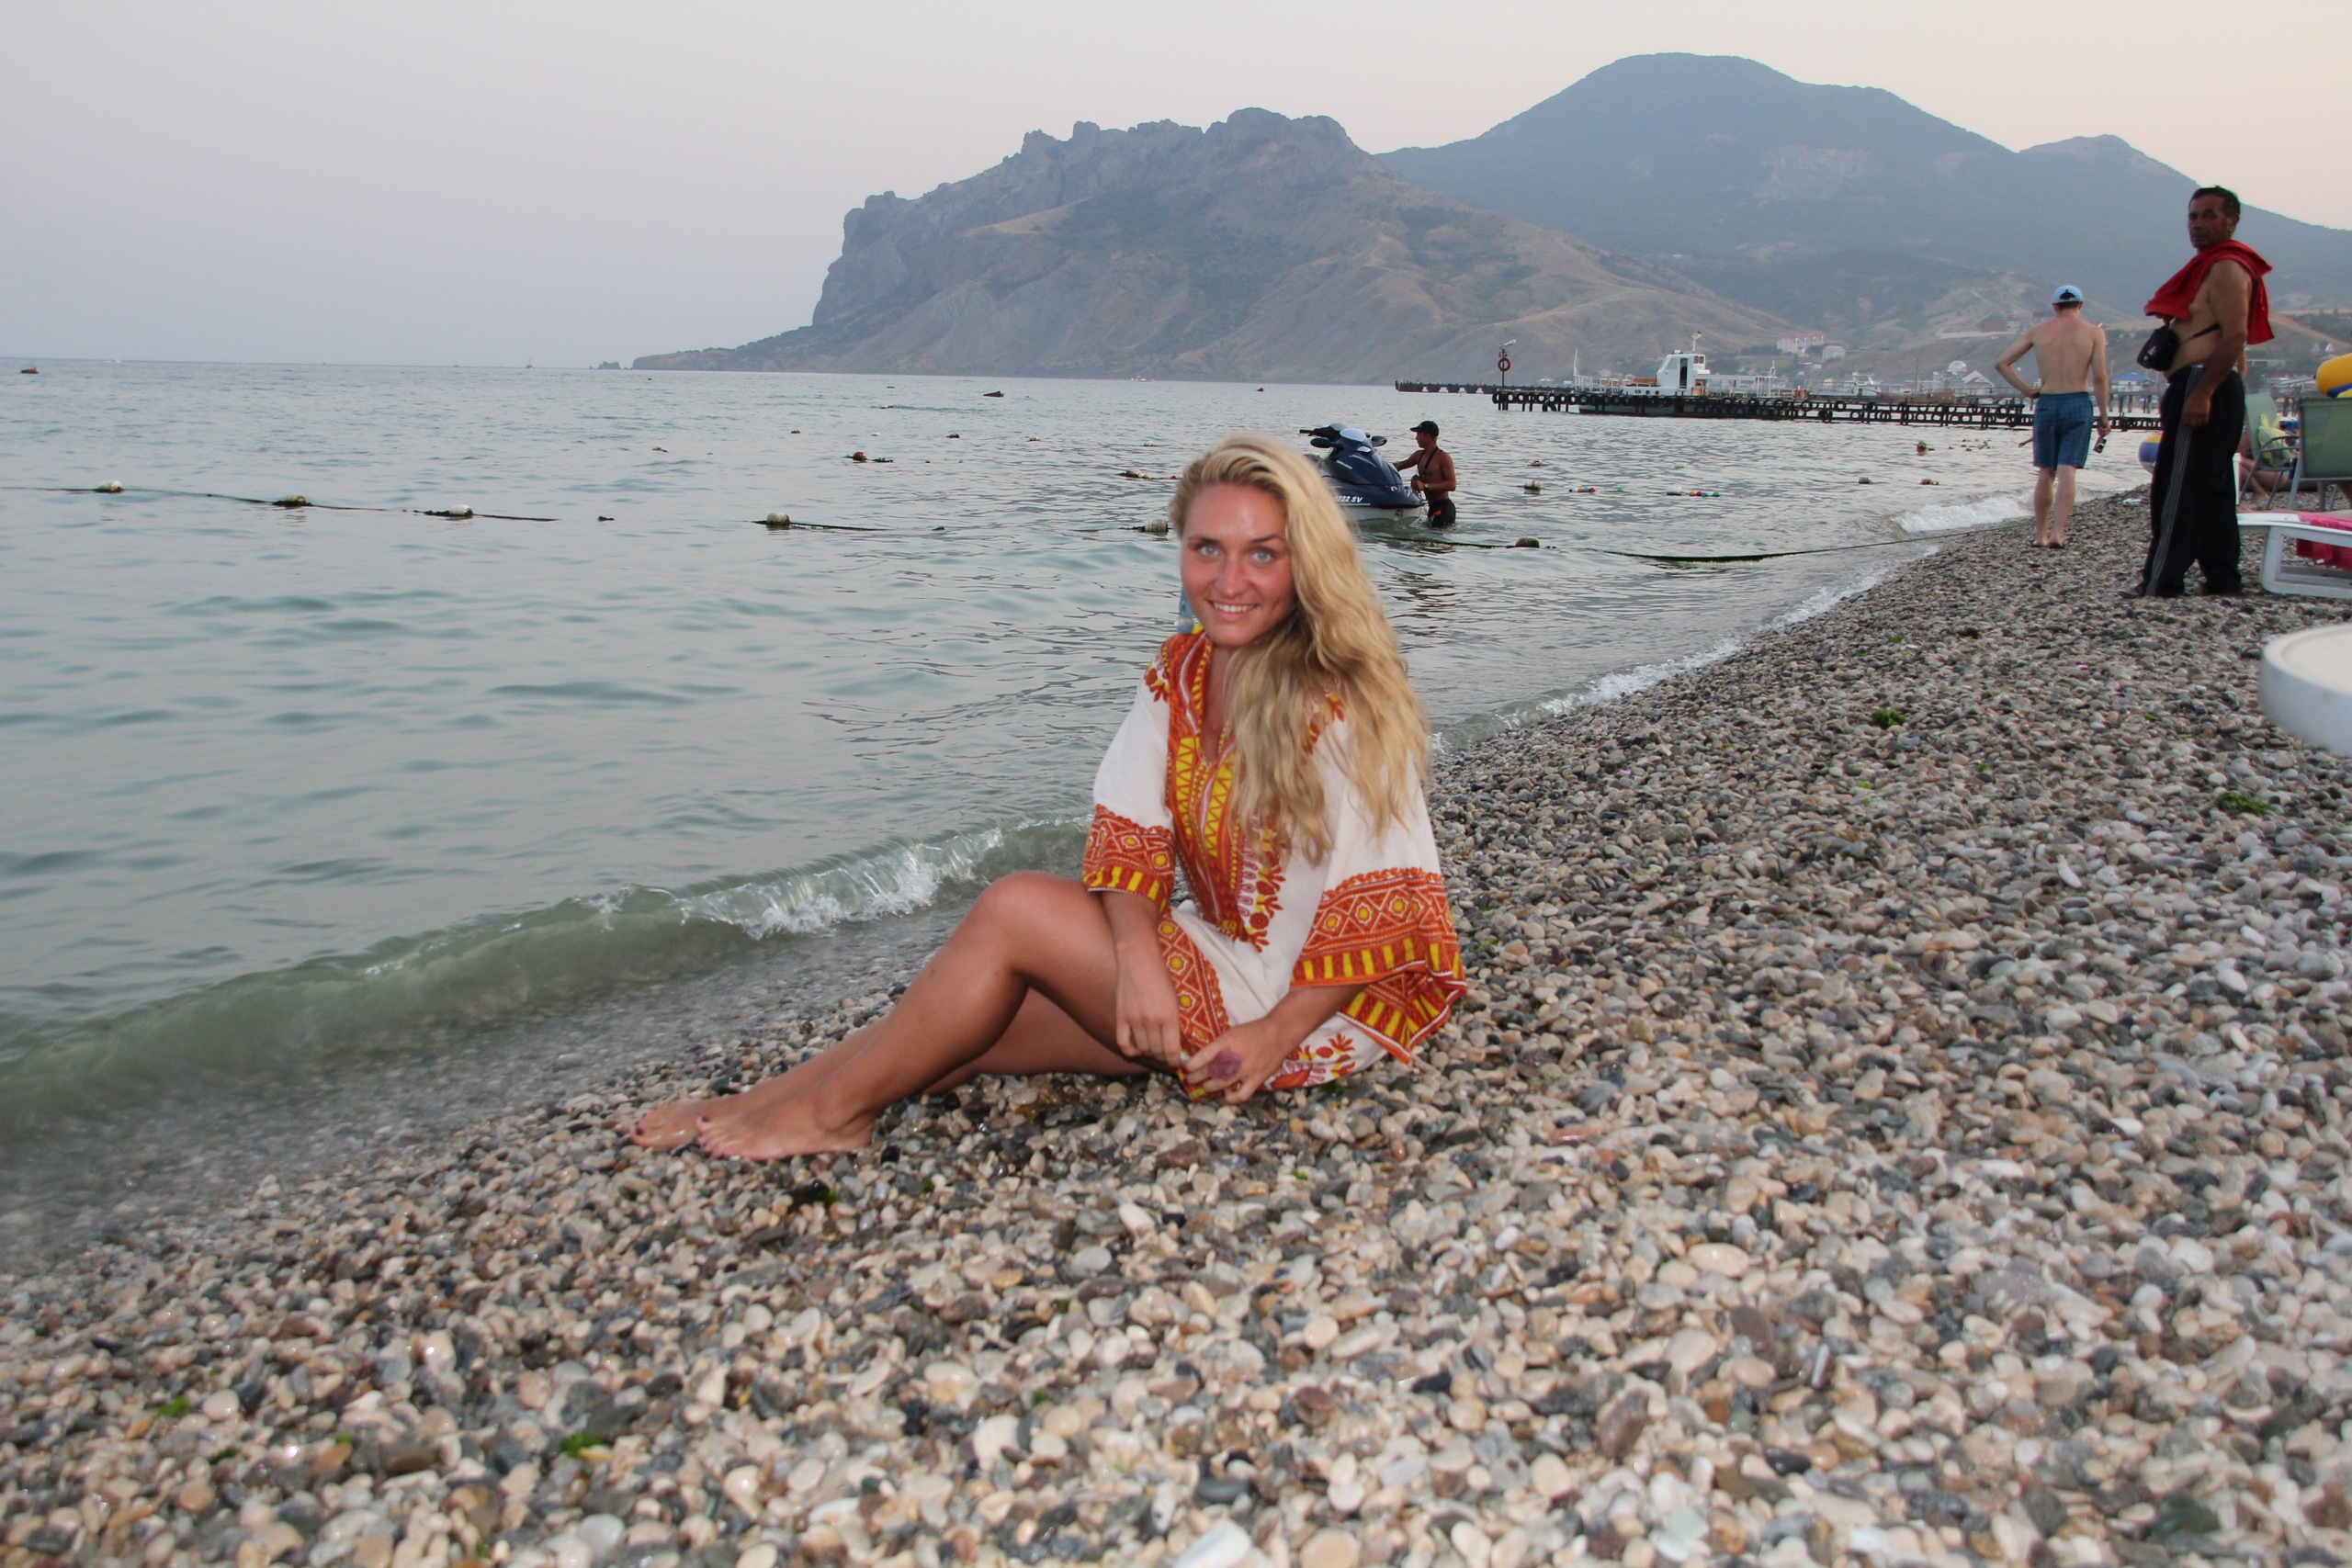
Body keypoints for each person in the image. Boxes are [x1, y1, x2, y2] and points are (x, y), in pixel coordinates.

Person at [630, 434, 1464, 1160]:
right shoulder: (1182, 673)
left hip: (1294, 1016)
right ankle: (765, 1100)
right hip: (1213, 961)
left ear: (1305, 561)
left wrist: (1272, 1034)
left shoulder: (1344, 701)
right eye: (1207, 548)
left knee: (1015, 909)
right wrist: (1138, 960)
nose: (1229, 579)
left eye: (1262, 553)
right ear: (1180, 549)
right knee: (968, 1018)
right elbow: (1128, 830)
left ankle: (832, 1117)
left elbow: (1390, 907)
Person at [2139, 186, 2274, 597]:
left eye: (2209, 215)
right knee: (2213, 488)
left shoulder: (2228, 266)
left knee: (2177, 487)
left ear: (2231, 220)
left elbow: (2234, 336)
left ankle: (2161, 581)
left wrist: (2203, 393)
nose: (2197, 224)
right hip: (2204, 382)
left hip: (2203, 382)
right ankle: (2223, 578)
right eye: (2193, 216)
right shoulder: (2212, 265)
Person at [1994, 286, 2111, 548]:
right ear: (2080, 305)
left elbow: (2001, 363)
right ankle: (2058, 533)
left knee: (2046, 470)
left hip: (2047, 403)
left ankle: (2040, 535)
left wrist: (2028, 391)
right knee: (2068, 469)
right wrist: (2104, 416)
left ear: (2055, 306)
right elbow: (2100, 377)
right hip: (2077, 402)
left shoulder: (2039, 331)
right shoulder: (2093, 332)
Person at [1395, 420, 1458, 527]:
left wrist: (1425, 486)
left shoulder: (1443, 457)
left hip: (1444, 508)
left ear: (1427, 436)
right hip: (1432, 508)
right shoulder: (1419, 455)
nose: (1416, 438)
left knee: (1436, 536)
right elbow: (1398, 466)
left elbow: (1452, 485)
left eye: (1418, 435)